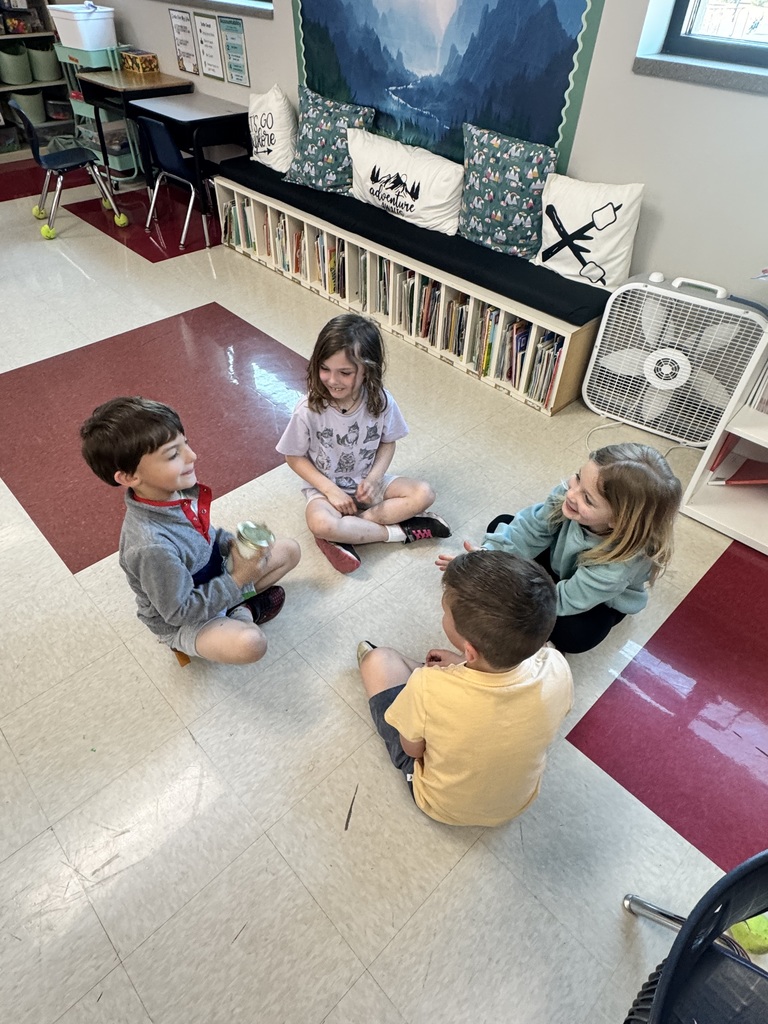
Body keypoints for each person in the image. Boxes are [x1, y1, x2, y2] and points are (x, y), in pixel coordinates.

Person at [358, 549, 573, 826]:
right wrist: (461, 665)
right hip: (517, 803)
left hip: (442, 805)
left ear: (470, 651)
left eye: (445, 611)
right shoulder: (557, 665)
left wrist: (435, 685)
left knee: (378, 661)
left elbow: (413, 750)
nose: (443, 613)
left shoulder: (428, 686)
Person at [80, 396, 301, 664]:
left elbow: (206, 534)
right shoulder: (151, 546)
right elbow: (179, 612)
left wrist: (230, 544)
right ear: (129, 477)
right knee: (251, 644)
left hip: (213, 580)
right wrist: (239, 578)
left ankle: (236, 607)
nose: (192, 456)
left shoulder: (176, 490)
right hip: (184, 621)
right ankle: (244, 611)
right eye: (173, 454)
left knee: (290, 550)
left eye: (186, 443)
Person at [438, 443, 681, 654]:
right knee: (503, 524)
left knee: (577, 634)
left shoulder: (618, 564)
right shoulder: (569, 495)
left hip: (594, 600)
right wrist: (485, 561)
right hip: (562, 563)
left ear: (618, 521)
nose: (572, 494)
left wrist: (505, 598)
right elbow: (530, 529)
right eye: (577, 478)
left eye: (588, 499)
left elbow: (567, 599)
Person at [276, 313, 450, 573]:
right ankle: (398, 533)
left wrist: (374, 479)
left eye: (345, 372)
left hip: (368, 484)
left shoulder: (381, 401)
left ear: (367, 369)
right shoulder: (307, 409)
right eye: (325, 369)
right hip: (325, 491)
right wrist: (331, 491)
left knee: (424, 493)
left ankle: (349, 532)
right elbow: (293, 457)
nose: (332, 380)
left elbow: (388, 443)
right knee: (320, 523)